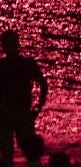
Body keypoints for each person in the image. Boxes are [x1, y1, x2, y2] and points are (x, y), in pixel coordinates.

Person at [0, 33, 48, 167]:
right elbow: (43, 85)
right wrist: (38, 107)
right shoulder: (26, 64)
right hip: (14, 114)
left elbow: (43, 85)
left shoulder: (7, 65)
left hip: (12, 114)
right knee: (29, 154)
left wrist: (38, 107)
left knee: (12, 154)